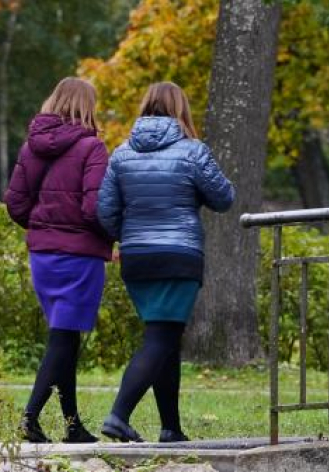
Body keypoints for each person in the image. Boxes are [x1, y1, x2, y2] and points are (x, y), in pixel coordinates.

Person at [96, 81, 235, 443]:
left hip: (137, 257)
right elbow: (223, 198)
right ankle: (118, 415)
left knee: (165, 338)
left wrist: (128, 234)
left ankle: (170, 428)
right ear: (181, 110)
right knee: (160, 338)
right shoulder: (193, 151)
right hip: (178, 254)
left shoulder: (121, 154)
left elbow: (105, 212)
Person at [4, 77, 111, 444]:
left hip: (43, 256)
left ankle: (72, 424)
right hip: (79, 256)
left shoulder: (30, 147)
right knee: (63, 338)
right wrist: (111, 233)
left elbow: (16, 204)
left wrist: (42, 227)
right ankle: (30, 417)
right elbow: (94, 207)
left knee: (65, 335)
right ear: (86, 106)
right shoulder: (92, 147)